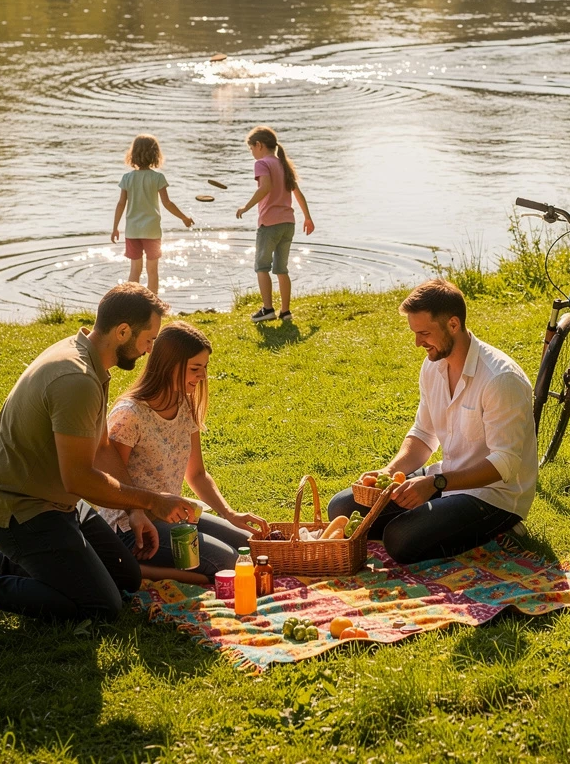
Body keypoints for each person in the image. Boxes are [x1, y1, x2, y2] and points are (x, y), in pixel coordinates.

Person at [0, 284, 200, 626]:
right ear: (122, 331)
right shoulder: (76, 379)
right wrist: (153, 501)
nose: (149, 350)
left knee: (124, 578)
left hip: (59, 502)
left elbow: (102, 447)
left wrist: (135, 509)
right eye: (148, 340)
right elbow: (78, 478)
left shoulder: (90, 358)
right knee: (101, 606)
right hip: (20, 510)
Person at [327, 278, 537, 564]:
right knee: (343, 507)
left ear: (453, 324)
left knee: (400, 540)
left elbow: (505, 464)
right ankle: (441, 521)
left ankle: (500, 529)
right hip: (445, 480)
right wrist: (389, 473)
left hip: (494, 496)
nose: (417, 343)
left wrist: (435, 483)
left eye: (424, 333)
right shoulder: (433, 366)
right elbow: (424, 434)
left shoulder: (501, 380)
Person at [98, 320, 269, 581]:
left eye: (204, 368)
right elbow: (112, 480)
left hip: (172, 518)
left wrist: (229, 513)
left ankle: (163, 570)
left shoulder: (184, 405)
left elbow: (197, 474)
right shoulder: (129, 415)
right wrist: (139, 512)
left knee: (253, 549)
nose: (202, 376)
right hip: (132, 525)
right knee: (229, 562)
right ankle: (130, 567)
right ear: (169, 366)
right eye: (195, 368)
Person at [235, 125, 314, 324]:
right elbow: (298, 194)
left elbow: (265, 187)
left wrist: (246, 207)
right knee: (281, 269)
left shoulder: (262, 164)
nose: (252, 153)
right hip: (288, 223)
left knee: (262, 267)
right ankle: (285, 312)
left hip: (269, 223)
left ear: (259, 145)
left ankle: (268, 309)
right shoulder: (283, 164)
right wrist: (308, 217)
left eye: (251, 148)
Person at [111, 133, 194, 295]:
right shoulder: (157, 178)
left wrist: (115, 228)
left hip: (132, 231)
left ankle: (131, 303)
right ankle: (153, 305)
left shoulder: (127, 178)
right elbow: (167, 203)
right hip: (152, 231)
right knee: (152, 271)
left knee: (134, 270)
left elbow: (121, 204)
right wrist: (184, 217)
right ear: (155, 155)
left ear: (133, 154)